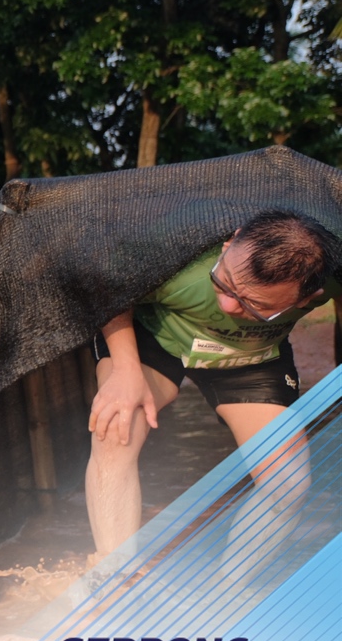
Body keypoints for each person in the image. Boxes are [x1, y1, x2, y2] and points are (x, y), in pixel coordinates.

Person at [86, 209, 340, 558]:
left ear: (309, 297)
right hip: (155, 337)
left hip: (252, 356)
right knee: (116, 427)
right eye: (223, 282)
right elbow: (106, 286)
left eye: (253, 304)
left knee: (288, 484)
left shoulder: (333, 272)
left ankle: (234, 585)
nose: (227, 304)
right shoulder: (173, 254)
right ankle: (115, 572)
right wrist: (126, 371)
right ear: (230, 242)